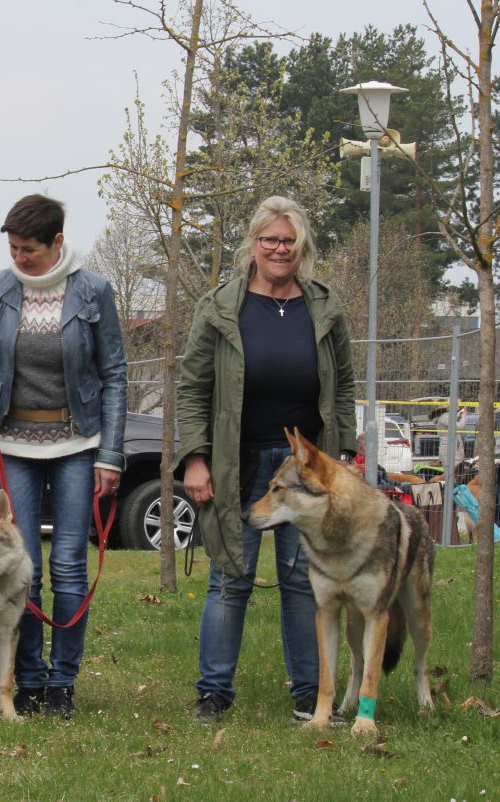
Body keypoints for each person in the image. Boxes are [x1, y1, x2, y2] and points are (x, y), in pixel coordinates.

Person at [177, 195, 356, 723]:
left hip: (307, 467)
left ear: (302, 248)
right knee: (230, 577)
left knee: (306, 581)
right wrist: (195, 458)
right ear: (252, 245)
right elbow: (191, 389)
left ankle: (310, 696)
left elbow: (343, 384)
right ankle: (213, 694)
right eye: (270, 240)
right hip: (239, 461)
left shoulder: (325, 306)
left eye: (289, 241)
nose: (279, 249)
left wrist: (341, 455)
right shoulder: (219, 307)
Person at [0, 194, 127, 718]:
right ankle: (27, 680)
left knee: (71, 566)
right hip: (13, 446)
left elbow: (114, 376)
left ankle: (63, 684)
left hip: (78, 445)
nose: (18, 258)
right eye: (12, 248)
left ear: (57, 242)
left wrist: (111, 455)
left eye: (28, 249)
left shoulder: (94, 290)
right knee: (20, 565)